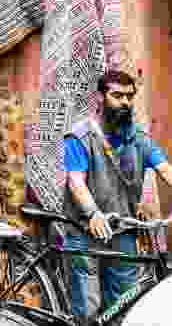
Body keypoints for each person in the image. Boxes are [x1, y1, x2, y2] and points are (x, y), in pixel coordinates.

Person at [63, 70, 172, 321]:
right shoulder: (81, 137)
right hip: (84, 232)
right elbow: (75, 181)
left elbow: (165, 170)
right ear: (100, 98)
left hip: (122, 230)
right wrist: (93, 213)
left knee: (126, 305)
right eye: (117, 95)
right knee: (88, 310)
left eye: (130, 96)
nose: (125, 102)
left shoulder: (139, 139)